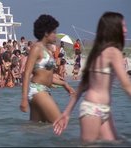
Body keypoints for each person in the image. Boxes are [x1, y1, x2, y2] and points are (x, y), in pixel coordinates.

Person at [53, 12, 128, 144]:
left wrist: (67, 113)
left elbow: (83, 85)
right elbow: (126, 84)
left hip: (102, 110)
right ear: (113, 28)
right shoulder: (113, 52)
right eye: (123, 26)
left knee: (116, 142)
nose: (126, 30)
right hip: (93, 109)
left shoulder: (98, 52)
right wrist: (66, 113)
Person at [20, 14, 67, 123]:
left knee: (38, 130)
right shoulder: (36, 48)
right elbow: (26, 73)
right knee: (59, 123)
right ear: (46, 33)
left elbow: (45, 75)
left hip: (43, 91)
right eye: (54, 32)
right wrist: (24, 98)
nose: (56, 36)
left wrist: (64, 84)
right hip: (38, 91)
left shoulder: (46, 50)